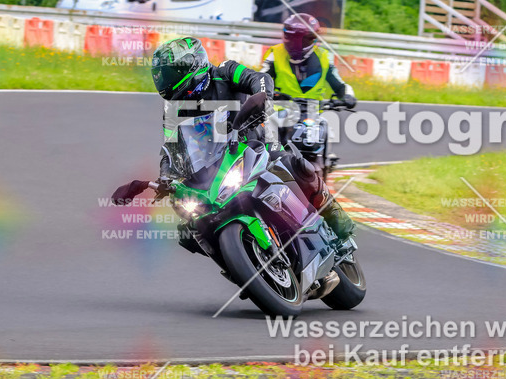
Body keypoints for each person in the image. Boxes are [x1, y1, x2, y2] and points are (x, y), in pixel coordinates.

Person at [111, 37, 355, 248]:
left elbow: (259, 79)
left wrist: (262, 97)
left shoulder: (225, 71)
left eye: (169, 75)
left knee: (294, 164)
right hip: (216, 163)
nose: (164, 81)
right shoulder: (172, 108)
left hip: (256, 143)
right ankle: (238, 257)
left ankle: (333, 214)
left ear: (191, 66)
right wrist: (165, 176)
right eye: (161, 77)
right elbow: (170, 149)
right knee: (190, 227)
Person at [262, 14, 357, 107]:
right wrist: (268, 94)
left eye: (303, 39)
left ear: (313, 39)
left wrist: (348, 96)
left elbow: (340, 85)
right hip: (282, 112)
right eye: (292, 38)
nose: (296, 43)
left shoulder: (324, 57)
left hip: (314, 113)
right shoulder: (275, 54)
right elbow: (261, 79)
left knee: (328, 118)